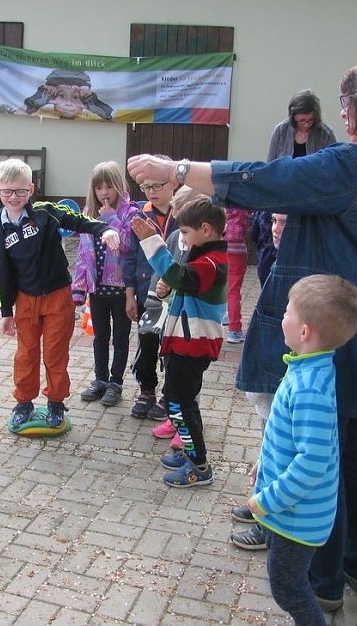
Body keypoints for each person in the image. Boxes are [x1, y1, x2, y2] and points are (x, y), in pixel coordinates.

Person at [127, 53, 357, 611]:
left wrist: (176, 170)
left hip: (340, 331)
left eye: (346, 103)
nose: (342, 114)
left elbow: (267, 179)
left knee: (323, 450)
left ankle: (322, 583)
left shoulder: (351, 167)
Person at [249, 274, 357, 625]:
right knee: (287, 580)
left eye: (288, 311)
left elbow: (313, 461)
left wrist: (265, 501)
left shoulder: (309, 387)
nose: (281, 316)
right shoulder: (309, 368)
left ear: (304, 332)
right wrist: (263, 463)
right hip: (293, 513)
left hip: (296, 519)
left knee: (288, 589)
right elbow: (291, 438)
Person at [0, 159, 119, 428]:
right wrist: (6, 312)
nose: (14, 197)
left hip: (58, 296)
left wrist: (103, 229)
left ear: (31, 189)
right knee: (25, 354)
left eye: (21, 191)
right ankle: (24, 402)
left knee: (54, 353)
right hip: (25, 300)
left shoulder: (45, 212)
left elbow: (79, 220)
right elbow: (1, 272)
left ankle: (56, 403)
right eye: (8, 191)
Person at [132, 196, 227, 488]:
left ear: (207, 230)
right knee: (182, 404)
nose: (181, 238)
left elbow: (175, 274)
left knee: (180, 406)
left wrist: (153, 243)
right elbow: (181, 288)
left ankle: (199, 466)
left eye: (185, 232)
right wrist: (164, 292)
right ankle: (191, 454)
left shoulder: (213, 263)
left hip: (192, 347)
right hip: (183, 344)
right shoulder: (204, 259)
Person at [231, 210, 288, 551]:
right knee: (269, 439)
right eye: (274, 221)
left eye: (286, 222)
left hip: (287, 371)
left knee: (281, 445)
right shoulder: (277, 255)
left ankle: (271, 524)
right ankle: (262, 504)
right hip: (271, 366)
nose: (276, 229)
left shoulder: (301, 265)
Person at [249, 90, 338, 288]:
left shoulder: (325, 133)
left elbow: (332, 170)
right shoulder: (280, 131)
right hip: (281, 199)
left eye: (309, 120)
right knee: (270, 251)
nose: (305, 124)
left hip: (310, 201)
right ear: (293, 117)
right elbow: (270, 166)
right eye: (301, 121)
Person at [147, 186, 213, 444]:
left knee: (189, 382)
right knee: (172, 375)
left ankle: (189, 425)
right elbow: (168, 271)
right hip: (172, 319)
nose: (178, 221)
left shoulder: (208, 250)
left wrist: (176, 284)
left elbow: (200, 285)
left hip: (195, 327)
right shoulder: (175, 238)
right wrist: (163, 290)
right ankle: (175, 419)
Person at [72, 161, 139, 407]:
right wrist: (78, 289)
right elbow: (82, 254)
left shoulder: (130, 213)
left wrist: (110, 218)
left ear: (119, 186)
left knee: (120, 338)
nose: (104, 192)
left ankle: (116, 383)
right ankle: (100, 379)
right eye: (99, 187)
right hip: (97, 289)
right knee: (100, 337)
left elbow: (125, 245)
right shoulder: (89, 212)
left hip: (121, 289)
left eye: (109, 186)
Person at [123, 154, 179, 421]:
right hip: (147, 292)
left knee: (172, 347)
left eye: (158, 186)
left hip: (176, 296)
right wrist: (130, 294)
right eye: (146, 187)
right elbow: (131, 257)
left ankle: (171, 394)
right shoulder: (139, 216)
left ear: (175, 184)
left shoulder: (184, 214)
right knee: (146, 342)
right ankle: (147, 390)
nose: (152, 192)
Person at [223, 207, 250, 343]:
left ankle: (224, 314)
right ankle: (235, 330)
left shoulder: (218, 201)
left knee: (220, 284)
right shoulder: (242, 205)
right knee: (233, 291)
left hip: (220, 248)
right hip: (237, 250)